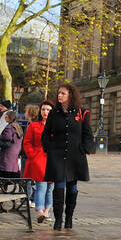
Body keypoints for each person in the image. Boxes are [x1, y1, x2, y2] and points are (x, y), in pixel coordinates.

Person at [42, 82, 94, 231]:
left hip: (75, 156)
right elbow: (46, 134)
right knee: (58, 186)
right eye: (58, 93)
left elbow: (87, 134)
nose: (59, 95)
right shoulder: (53, 113)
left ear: (70, 95)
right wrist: (49, 148)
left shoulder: (82, 112)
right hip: (57, 154)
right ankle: (58, 219)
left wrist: (84, 148)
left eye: (63, 93)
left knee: (72, 187)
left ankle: (69, 217)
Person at [22, 102, 53, 224]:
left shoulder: (58, 126)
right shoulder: (34, 126)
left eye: (49, 110)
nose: (46, 112)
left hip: (53, 159)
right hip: (39, 158)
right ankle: (39, 210)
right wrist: (32, 155)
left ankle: (47, 211)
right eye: (43, 109)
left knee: (51, 188)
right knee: (41, 185)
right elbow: (27, 142)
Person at [0, 110, 23, 178]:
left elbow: (7, 137)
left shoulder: (9, 126)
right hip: (16, 150)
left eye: (6, 117)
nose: (5, 118)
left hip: (8, 151)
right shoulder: (17, 126)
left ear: (8, 118)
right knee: (12, 167)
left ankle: (4, 185)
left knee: (5, 169)